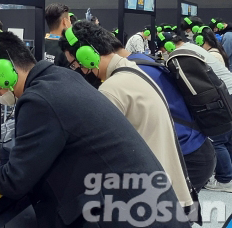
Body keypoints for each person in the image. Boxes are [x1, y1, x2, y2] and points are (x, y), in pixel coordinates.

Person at [0, 30, 188, 227]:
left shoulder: (38, 99)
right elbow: (46, 148)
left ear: (3, 70)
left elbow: (14, 181)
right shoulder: (61, 78)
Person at [60, 22, 194, 209]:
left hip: (149, 198)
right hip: (167, 189)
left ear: (86, 55)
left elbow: (95, 150)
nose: (80, 70)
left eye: (76, 64)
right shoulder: (131, 69)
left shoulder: (113, 89)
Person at [110, 36, 215, 193]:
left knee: (173, 206)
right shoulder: (144, 60)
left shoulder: (131, 73)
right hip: (198, 147)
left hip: (187, 155)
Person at [152, 31, 232, 193]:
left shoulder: (180, 55)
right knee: (227, 138)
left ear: (168, 46)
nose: (162, 53)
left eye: (162, 50)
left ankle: (225, 179)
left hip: (223, 96)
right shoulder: (191, 48)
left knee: (217, 141)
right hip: (227, 91)